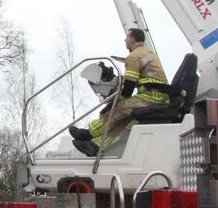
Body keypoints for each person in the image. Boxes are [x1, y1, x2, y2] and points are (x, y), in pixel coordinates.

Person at [68, 28, 168, 157]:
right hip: (158, 94)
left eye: (127, 37)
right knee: (124, 116)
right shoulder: (148, 53)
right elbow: (133, 81)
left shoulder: (134, 56)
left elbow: (129, 88)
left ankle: (88, 133)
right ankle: (96, 145)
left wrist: (115, 101)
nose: (125, 40)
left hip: (151, 96)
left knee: (115, 111)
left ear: (132, 38)